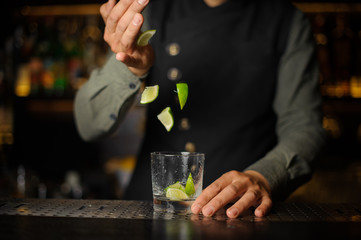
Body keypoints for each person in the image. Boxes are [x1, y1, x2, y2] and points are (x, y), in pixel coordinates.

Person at [74, 0, 326, 219]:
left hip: (239, 214)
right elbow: (88, 125)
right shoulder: (152, 12)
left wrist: (263, 177)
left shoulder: (288, 22)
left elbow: (304, 128)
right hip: (150, 212)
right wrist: (130, 68)